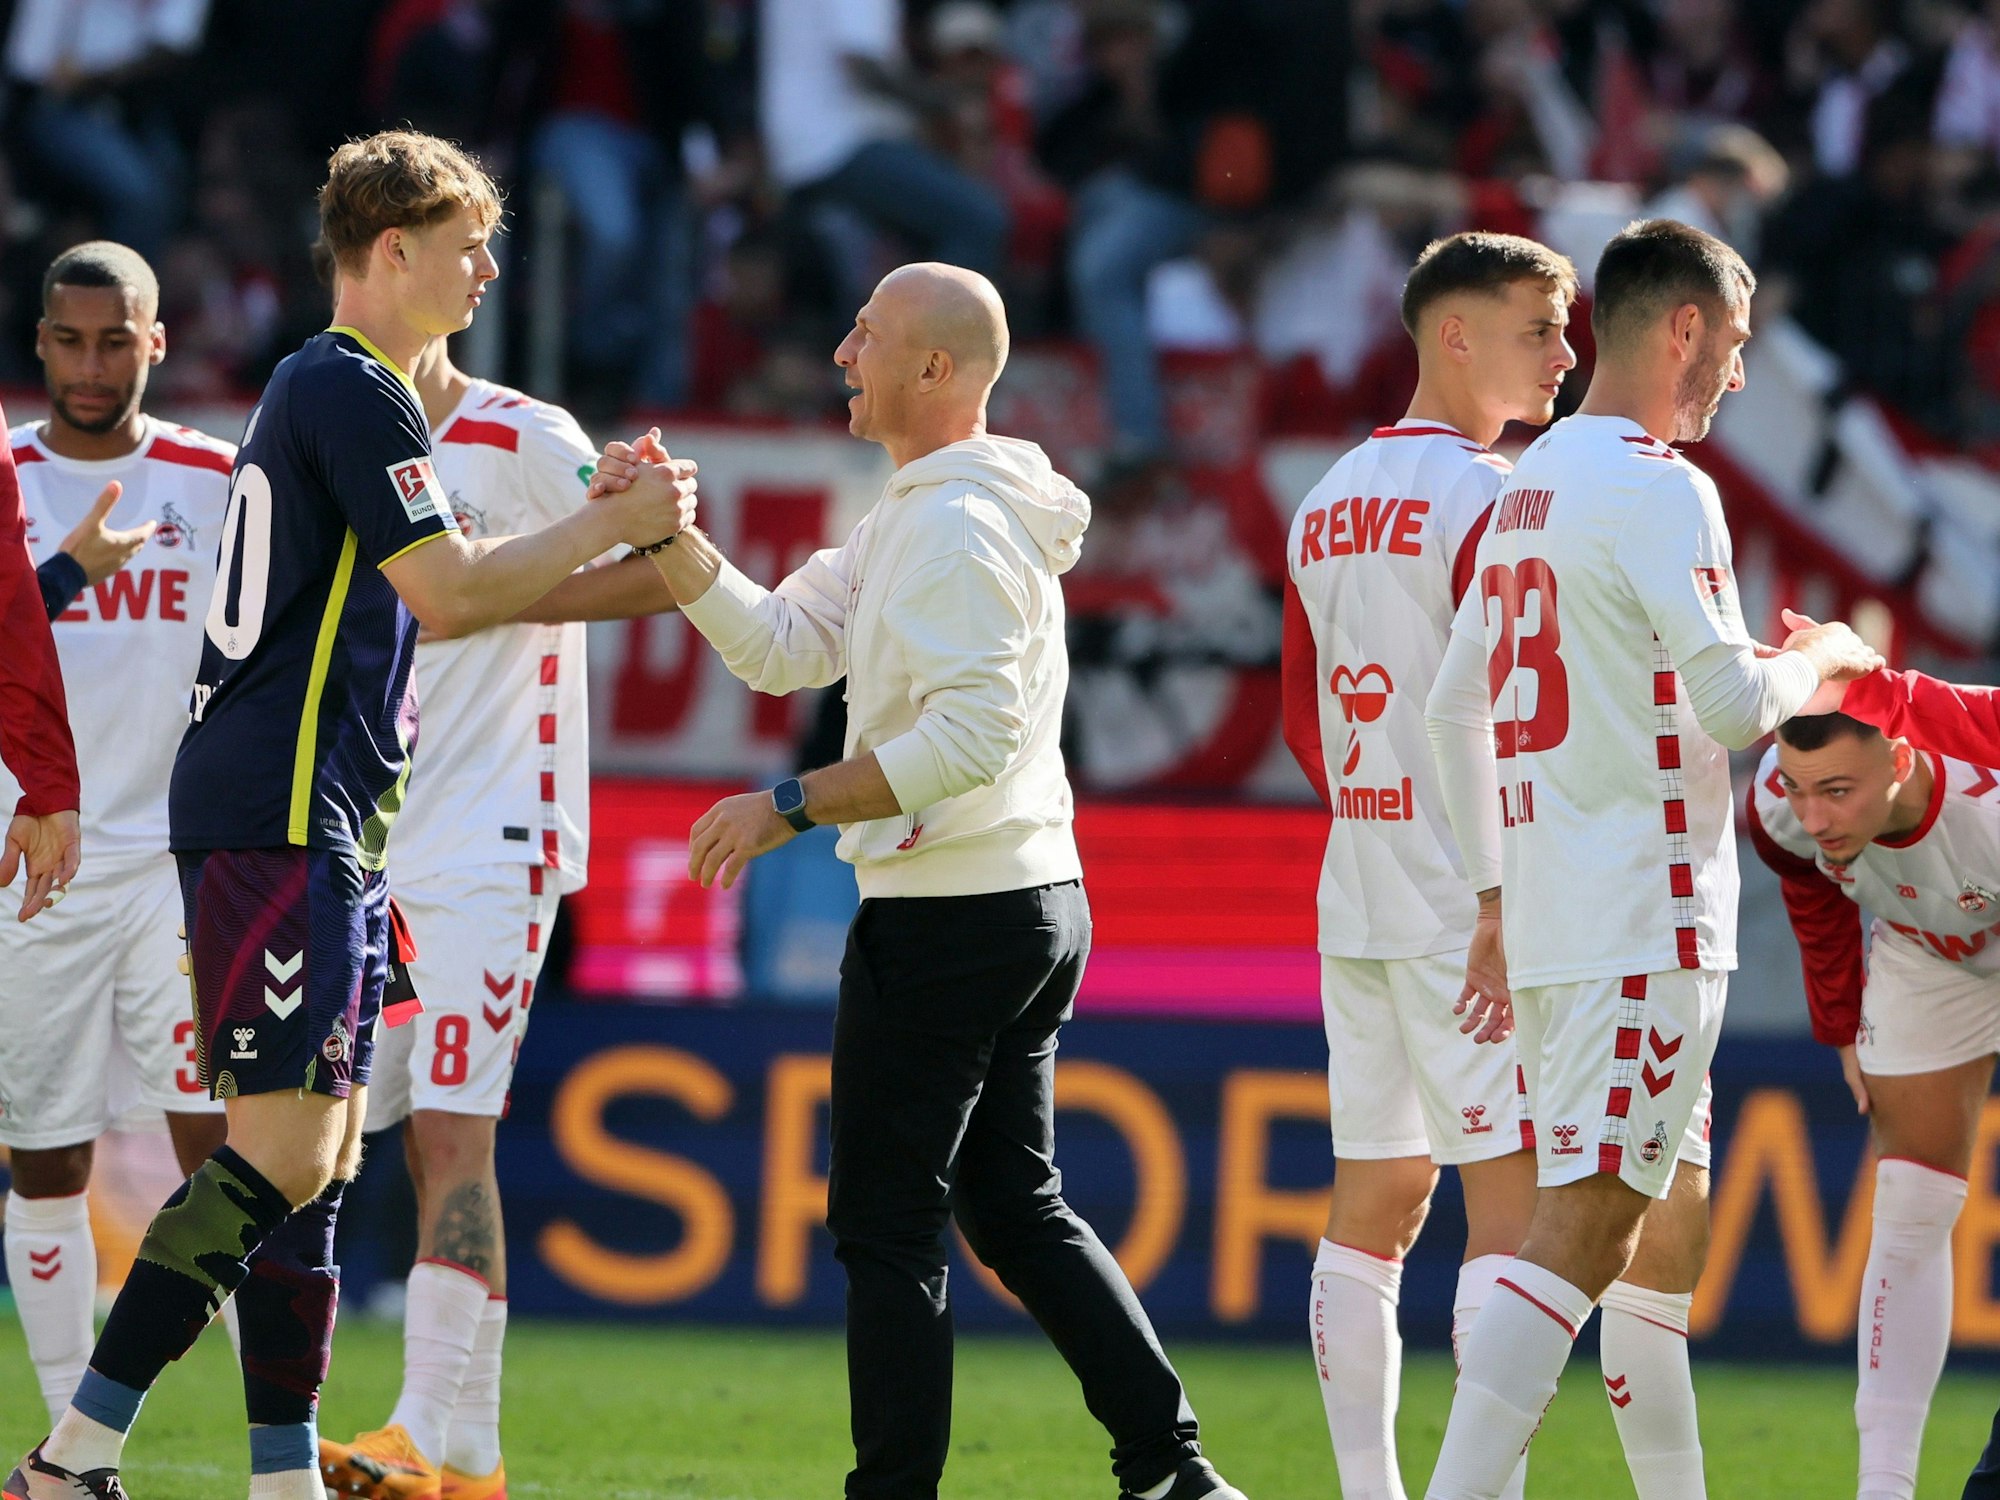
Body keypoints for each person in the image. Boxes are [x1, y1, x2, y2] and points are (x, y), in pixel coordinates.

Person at [5, 128, 696, 1500]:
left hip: (318, 813)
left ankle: (271, 1474)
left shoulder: (318, 391)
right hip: (277, 809)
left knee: (311, 1154)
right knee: (281, 1151)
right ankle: (73, 1454)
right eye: (467, 247)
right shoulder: (351, 386)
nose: (489, 270)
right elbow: (449, 592)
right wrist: (616, 522)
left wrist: (613, 545)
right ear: (393, 254)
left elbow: (461, 589)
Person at [598, 260, 1245, 1500]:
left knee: (888, 1227)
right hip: (1025, 898)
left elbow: (965, 741)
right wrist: (671, 540)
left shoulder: (944, 525)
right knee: (1012, 1207)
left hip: (952, 914)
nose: (842, 352)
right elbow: (782, 648)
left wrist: (786, 804)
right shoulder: (930, 509)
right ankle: (1170, 1471)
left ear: (935, 370)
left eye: (868, 334)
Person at [1420, 218, 1883, 1500]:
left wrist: (1496, 892)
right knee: (1585, 1229)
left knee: (1659, 1230)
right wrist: (1828, 656)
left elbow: (1450, 708)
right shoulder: (1654, 482)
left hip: (1572, 916)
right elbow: (1742, 711)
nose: (1733, 376)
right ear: (1682, 327)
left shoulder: (1527, 485)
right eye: (1731, 346)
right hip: (1643, 916)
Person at [317, 334, 679, 1500]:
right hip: (374, 834)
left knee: (458, 1135)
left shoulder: (524, 432)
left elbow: (670, 560)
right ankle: (471, 1456)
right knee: (395, 1137)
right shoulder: (344, 427)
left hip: (496, 837)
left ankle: (418, 1431)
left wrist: (494, 595)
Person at [1281, 230, 1577, 1500]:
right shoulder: (1490, 500)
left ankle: (1369, 1493)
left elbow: (1302, 715)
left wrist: (1376, 809)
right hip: (1474, 906)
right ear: (1451, 334)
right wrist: (1502, 876)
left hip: (1357, 885)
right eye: (1537, 329)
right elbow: (1515, 713)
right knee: (1507, 1216)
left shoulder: (1320, 495)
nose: (1564, 354)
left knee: (1376, 1199)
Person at [0, 240, 236, 1426]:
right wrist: (65, 572)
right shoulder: (0, 477)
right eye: (69, 339)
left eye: (115, 339)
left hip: (177, 871)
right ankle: (62, 1434)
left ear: (156, 340)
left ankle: (275, 1434)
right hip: (33, 866)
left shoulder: (214, 478)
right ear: (39, 340)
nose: (91, 365)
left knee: (233, 1153)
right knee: (44, 1155)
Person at [1746, 711, 1996, 1500]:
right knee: (1910, 1204)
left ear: (1901, 757)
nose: (1815, 815)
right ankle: (1882, 1489)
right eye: (1799, 785)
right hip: (1931, 952)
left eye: (1839, 791)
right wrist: (1839, 1018)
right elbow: (1806, 883)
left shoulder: (1985, 811)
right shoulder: (1776, 811)